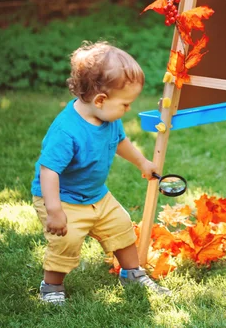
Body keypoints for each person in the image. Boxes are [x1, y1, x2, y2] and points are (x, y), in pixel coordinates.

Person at [31, 41, 171, 305]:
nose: (128, 110)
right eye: (126, 104)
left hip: (96, 195)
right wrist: (54, 210)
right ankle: (52, 286)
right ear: (100, 99)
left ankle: (132, 273)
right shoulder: (66, 131)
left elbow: (120, 142)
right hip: (62, 199)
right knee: (66, 239)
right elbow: (48, 171)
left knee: (121, 226)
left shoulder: (109, 118)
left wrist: (142, 162)